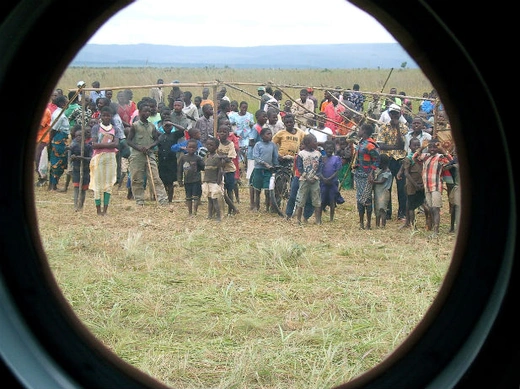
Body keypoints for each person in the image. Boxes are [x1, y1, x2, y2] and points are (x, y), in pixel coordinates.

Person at [126, 103, 169, 207]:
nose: (147, 113)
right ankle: (139, 200)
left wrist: (150, 146)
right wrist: (139, 148)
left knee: (155, 177)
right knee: (137, 177)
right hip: (137, 155)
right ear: (139, 112)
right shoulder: (135, 126)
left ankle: (162, 200)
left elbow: (157, 139)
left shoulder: (152, 126)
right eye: (145, 111)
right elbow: (129, 141)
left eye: (149, 111)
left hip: (149, 154)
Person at [413, 138, 453, 237]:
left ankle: (436, 231)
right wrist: (422, 147)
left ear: (437, 148)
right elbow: (414, 157)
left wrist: (442, 150)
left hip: (436, 186)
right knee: (431, 208)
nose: (432, 149)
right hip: (427, 187)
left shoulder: (440, 157)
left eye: (434, 147)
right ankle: (433, 228)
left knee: (435, 209)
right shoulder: (425, 156)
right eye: (430, 147)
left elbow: (451, 161)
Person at [376, 103, 409, 221]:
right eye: (392, 113)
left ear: (399, 114)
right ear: (389, 114)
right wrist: (395, 146)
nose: (394, 115)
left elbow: (402, 144)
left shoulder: (404, 128)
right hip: (388, 160)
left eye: (396, 113)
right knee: (387, 187)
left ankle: (402, 213)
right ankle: (388, 212)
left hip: (400, 160)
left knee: (401, 188)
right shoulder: (383, 127)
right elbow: (381, 145)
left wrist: (398, 129)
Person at [89, 106, 121, 215]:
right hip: (98, 157)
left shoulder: (115, 128)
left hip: (111, 157)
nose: (106, 117)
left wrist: (100, 145)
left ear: (111, 116)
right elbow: (93, 145)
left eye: (108, 115)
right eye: (104, 115)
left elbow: (116, 144)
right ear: (101, 116)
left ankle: (105, 210)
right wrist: (109, 145)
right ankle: (98, 210)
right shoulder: (96, 128)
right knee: (97, 183)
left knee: (109, 183)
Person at [397, 137, 430, 230]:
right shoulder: (409, 158)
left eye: (418, 145)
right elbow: (406, 173)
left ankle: (428, 223)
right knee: (411, 205)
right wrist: (415, 184)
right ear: (409, 146)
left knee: (423, 203)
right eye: (414, 145)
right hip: (412, 184)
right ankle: (412, 225)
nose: (416, 147)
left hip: (421, 183)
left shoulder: (422, 156)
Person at [352, 123, 380, 230]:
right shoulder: (361, 143)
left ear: (364, 131)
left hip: (367, 174)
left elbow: (377, 160)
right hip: (359, 173)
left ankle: (368, 223)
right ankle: (361, 223)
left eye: (360, 129)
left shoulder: (370, 145)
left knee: (366, 198)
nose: (358, 131)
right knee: (359, 198)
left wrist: (371, 172)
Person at [294, 133, 323, 225]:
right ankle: (298, 220)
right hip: (304, 180)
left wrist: (315, 177)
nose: (316, 143)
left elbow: (320, 167)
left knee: (316, 200)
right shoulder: (301, 154)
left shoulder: (318, 154)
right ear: (308, 143)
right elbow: (299, 167)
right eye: (314, 141)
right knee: (301, 199)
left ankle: (318, 220)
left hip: (315, 180)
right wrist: (306, 177)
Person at [157, 119, 185, 206]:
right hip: (162, 161)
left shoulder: (174, 135)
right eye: (166, 126)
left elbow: (182, 130)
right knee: (163, 181)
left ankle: (170, 199)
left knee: (170, 182)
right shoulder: (160, 136)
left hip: (171, 161)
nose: (167, 128)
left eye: (169, 126)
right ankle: (164, 197)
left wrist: (172, 123)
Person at [251, 127, 278, 212]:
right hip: (259, 169)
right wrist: (264, 163)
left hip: (268, 170)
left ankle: (267, 207)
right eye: (268, 134)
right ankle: (256, 206)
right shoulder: (258, 145)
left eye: (270, 134)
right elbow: (256, 156)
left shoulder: (272, 145)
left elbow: (275, 156)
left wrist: (276, 165)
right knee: (257, 189)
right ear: (262, 136)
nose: (270, 136)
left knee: (267, 190)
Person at [48, 95, 70, 191]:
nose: (68, 102)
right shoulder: (59, 115)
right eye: (66, 101)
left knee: (58, 161)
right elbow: (53, 130)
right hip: (59, 140)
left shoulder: (60, 113)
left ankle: (53, 184)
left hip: (62, 139)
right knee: (58, 162)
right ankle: (53, 185)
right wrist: (50, 142)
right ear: (61, 103)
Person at [177, 138, 205, 216]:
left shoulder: (198, 158)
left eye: (193, 147)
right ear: (186, 147)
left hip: (196, 180)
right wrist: (179, 180)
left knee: (196, 196)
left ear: (196, 149)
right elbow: (179, 169)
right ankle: (190, 212)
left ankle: (195, 211)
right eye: (190, 147)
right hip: (187, 180)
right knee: (188, 196)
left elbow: (203, 167)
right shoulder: (183, 158)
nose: (191, 149)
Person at [246, 109, 268, 209]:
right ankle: (252, 203)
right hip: (253, 156)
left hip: (259, 157)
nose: (265, 118)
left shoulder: (262, 127)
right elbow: (251, 142)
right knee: (252, 180)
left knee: (256, 178)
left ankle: (255, 202)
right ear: (257, 117)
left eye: (266, 116)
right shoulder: (256, 128)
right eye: (263, 116)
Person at [68, 127, 92, 211]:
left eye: (80, 136)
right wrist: (73, 157)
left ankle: (81, 205)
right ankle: (75, 206)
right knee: (76, 188)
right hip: (76, 170)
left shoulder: (88, 147)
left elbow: (90, 158)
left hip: (85, 170)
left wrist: (82, 158)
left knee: (83, 189)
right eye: (76, 136)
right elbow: (70, 158)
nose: (78, 138)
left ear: (85, 137)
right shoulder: (73, 147)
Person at [216, 123, 237, 215]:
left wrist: (222, 158)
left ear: (228, 134)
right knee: (220, 190)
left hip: (229, 170)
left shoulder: (230, 144)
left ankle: (231, 209)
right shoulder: (216, 143)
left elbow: (230, 158)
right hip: (219, 170)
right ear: (217, 133)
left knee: (229, 190)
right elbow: (214, 156)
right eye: (220, 132)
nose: (222, 134)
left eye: (224, 132)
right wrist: (223, 157)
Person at [319, 140, 342, 222]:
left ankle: (331, 219)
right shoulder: (321, 159)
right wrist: (323, 178)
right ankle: (319, 218)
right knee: (321, 200)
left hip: (333, 183)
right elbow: (319, 170)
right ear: (324, 149)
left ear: (334, 149)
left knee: (332, 200)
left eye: (331, 149)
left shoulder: (337, 159)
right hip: (323, 183)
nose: (329, 150)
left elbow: (337, 171)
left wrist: (329, 178)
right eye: (327, 149)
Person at [202, 137, 223, 222]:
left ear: (216, 147)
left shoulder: (217, 157)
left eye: (211, 145)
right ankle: (210, 214)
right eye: (207, 145)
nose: (209, 146)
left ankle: (218, 216)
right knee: (209, 199)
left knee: (215, 200)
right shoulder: (206, 156)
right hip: (207, 181)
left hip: (214, 182)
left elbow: (220, 170)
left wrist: (218, 181)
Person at [372, 154, 392, 228]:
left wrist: (373, 182)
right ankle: (377, 225)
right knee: (377, 209)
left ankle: (383, 225)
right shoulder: (381, 171)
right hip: (378, 193)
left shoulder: (387, 172)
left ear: (383, 163)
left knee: (382, 209)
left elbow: (382, 181)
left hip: (384, 192)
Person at [36, 105, 52, 186]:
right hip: (37, 138)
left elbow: (40, 126)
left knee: (40, 159)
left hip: (43, 138)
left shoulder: (45, 111)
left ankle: (43, 178)